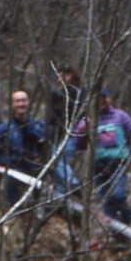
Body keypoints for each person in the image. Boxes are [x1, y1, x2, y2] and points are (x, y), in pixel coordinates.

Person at [75, 85, 131, 230]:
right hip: (98, 166)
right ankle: (119, 236)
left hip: (118, 163)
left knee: (117, 195)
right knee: (106, 203)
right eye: (99, 99)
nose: (103, 101)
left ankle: (128, 218)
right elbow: (79, 145)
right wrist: (82, 132)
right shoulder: (88, 120)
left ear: (110, 98)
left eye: (105, 98)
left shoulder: (120, 116)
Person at [0, 90, 47, 207]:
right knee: (12, 179)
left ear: (28, 102)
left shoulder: (39, 126)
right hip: (16, 168)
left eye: (24, 100)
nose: (21, 104)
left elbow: (48, 149)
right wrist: (14, 161)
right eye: (17, 101)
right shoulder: (3, 129)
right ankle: (14, 212)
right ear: (12, 104)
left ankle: (39, 209)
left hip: (37, 168)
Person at [47, 64, 84, 195]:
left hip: (67, 134)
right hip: (65, 133)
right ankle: (63, 200)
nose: (58, 79)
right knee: (59, 166)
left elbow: (63, 114)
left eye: (60, 76)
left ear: (68, 76)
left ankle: (74, 184)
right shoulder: (77, 93)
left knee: (57, 160)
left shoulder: (71, 93)